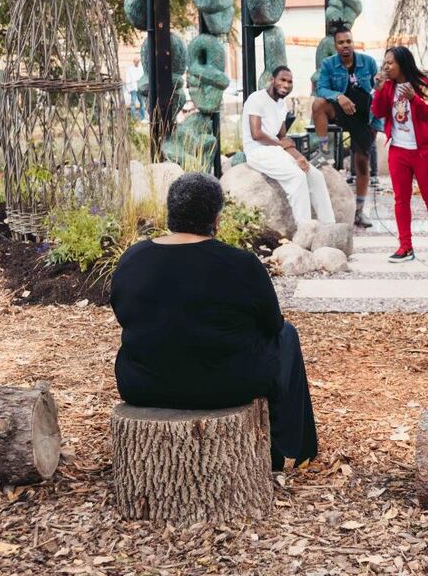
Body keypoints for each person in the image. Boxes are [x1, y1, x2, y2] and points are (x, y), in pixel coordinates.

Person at [111, 172, 318, 470]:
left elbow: (124, 315)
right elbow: (272, 325)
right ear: (216, 218)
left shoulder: (133, 258)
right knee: (287, 335)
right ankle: (289, 448)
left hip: (143, 383)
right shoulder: (241, 264)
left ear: (171, 213)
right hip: (227, 385)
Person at [370, 46, 428, 263]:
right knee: (401, 200)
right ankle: (405, 247)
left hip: (423, 151)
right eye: (385, 63)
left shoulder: (421, 84)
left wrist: (414, 98)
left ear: (402, 64)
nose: (386, 66)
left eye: (390, 63)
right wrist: (378, 89)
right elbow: (378, 112)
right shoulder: (387, 87)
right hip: (398, 150)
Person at [243, 66, 335, 225]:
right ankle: (305, 229)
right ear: (272, 80)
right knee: (297, 177)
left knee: (314, 175)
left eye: (290, 82)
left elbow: (283, 137)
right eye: (282, 80)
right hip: (257, 151)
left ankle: (329, 225)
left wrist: (300, 158)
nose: (286, 85)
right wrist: (280, 144)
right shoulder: (256, 98)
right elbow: (256, 134)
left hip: (276, 151)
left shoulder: (282, 105)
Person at [312, 23, 378, 227]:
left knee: (361, 163)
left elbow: (378, 91)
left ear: (353, 42)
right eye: (340, 42)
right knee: (318, 104)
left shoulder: (368, 62)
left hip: (364, 115)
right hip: (340, 111)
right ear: (335, 45)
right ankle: (324, 151)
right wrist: (338, 96)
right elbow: (321, 88)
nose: (345, 45)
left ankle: (359, 211)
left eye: (348, 41)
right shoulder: (329, 64)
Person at [126, 56, 146, 122]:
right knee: (133, 103)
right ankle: (133, 119)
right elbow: (128, 79)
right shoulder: (130, 69)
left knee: (142, 103)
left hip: (140, 88)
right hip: (133, 88)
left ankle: (143, 118)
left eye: (138, 62)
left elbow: (143, 78)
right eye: (136, 62)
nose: (137, 63)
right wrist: (128, 88)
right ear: (133, 62)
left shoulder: (141, 69)